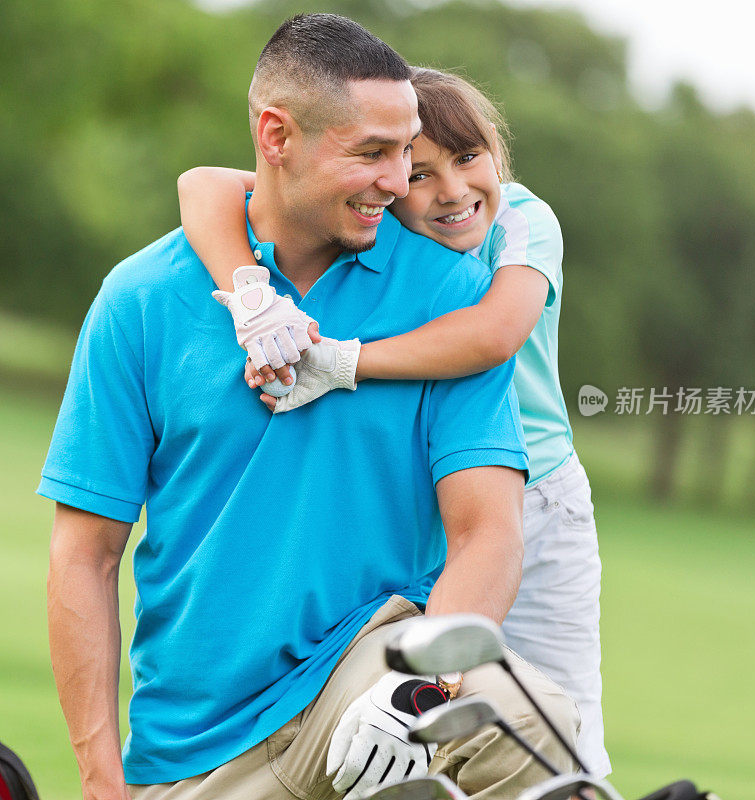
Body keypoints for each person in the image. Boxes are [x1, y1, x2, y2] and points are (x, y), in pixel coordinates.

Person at [39, 13, 579, 800]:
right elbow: (84, 557)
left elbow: (488, 531)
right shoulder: (142, 301)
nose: (400, 183)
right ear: (276, 136)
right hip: (198, 754)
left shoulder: (450, 296)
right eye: (372, 153)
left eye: (406, 152)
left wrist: (423, 684)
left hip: (368, 676)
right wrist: (100, 781)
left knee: (526, 719)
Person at [177, 67, 609, 776]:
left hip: (534, 507)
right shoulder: (381, 220)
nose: (451, 191)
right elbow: (202, 185)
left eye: (469, 158)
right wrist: (252, 295)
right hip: (424, 506)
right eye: (421, 171)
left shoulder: (524, 219)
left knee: (557, 742)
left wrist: (340, 361)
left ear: (497, 154)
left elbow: (494, 333)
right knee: (421, 735)